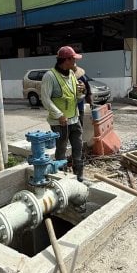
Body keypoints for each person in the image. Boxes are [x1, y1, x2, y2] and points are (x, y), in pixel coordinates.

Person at [41, 46, 85, 182]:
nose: (75, 62)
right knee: (61, 150)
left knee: (78, 147)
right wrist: (59, 114)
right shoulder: (50, 76)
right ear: (66, 60)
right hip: (60, 122)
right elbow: (45, 99)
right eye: (73, 59)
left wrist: (81, 92)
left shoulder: (71, 74)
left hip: (74, 119)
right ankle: (62, 178)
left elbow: (76, 98)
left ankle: (79, 177)